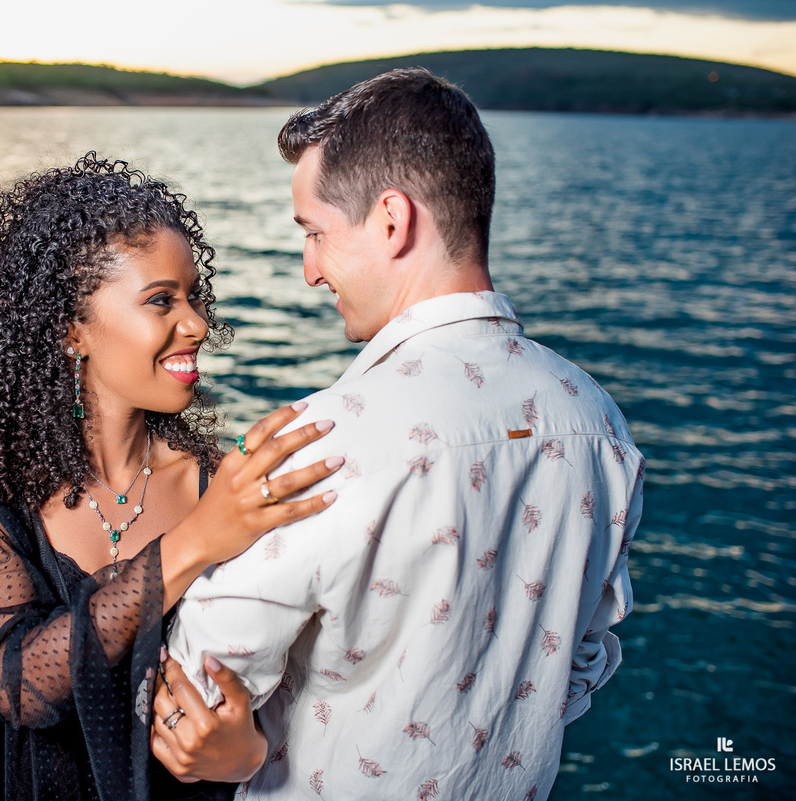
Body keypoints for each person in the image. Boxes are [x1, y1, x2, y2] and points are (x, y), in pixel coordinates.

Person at [157, 69, 645, 800]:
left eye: (316, 234)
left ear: (392, 220)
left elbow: (193, 686)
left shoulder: (324, 441)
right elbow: (580, 661)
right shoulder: (598, 422)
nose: (309, 271)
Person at [0, 153, 344, 801]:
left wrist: (244, 752)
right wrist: (194, 542)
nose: (197, 323)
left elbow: (257, 687)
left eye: (193, 296)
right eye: (161, 300)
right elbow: (21, 684)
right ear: (71, 328)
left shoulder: (210, 482)